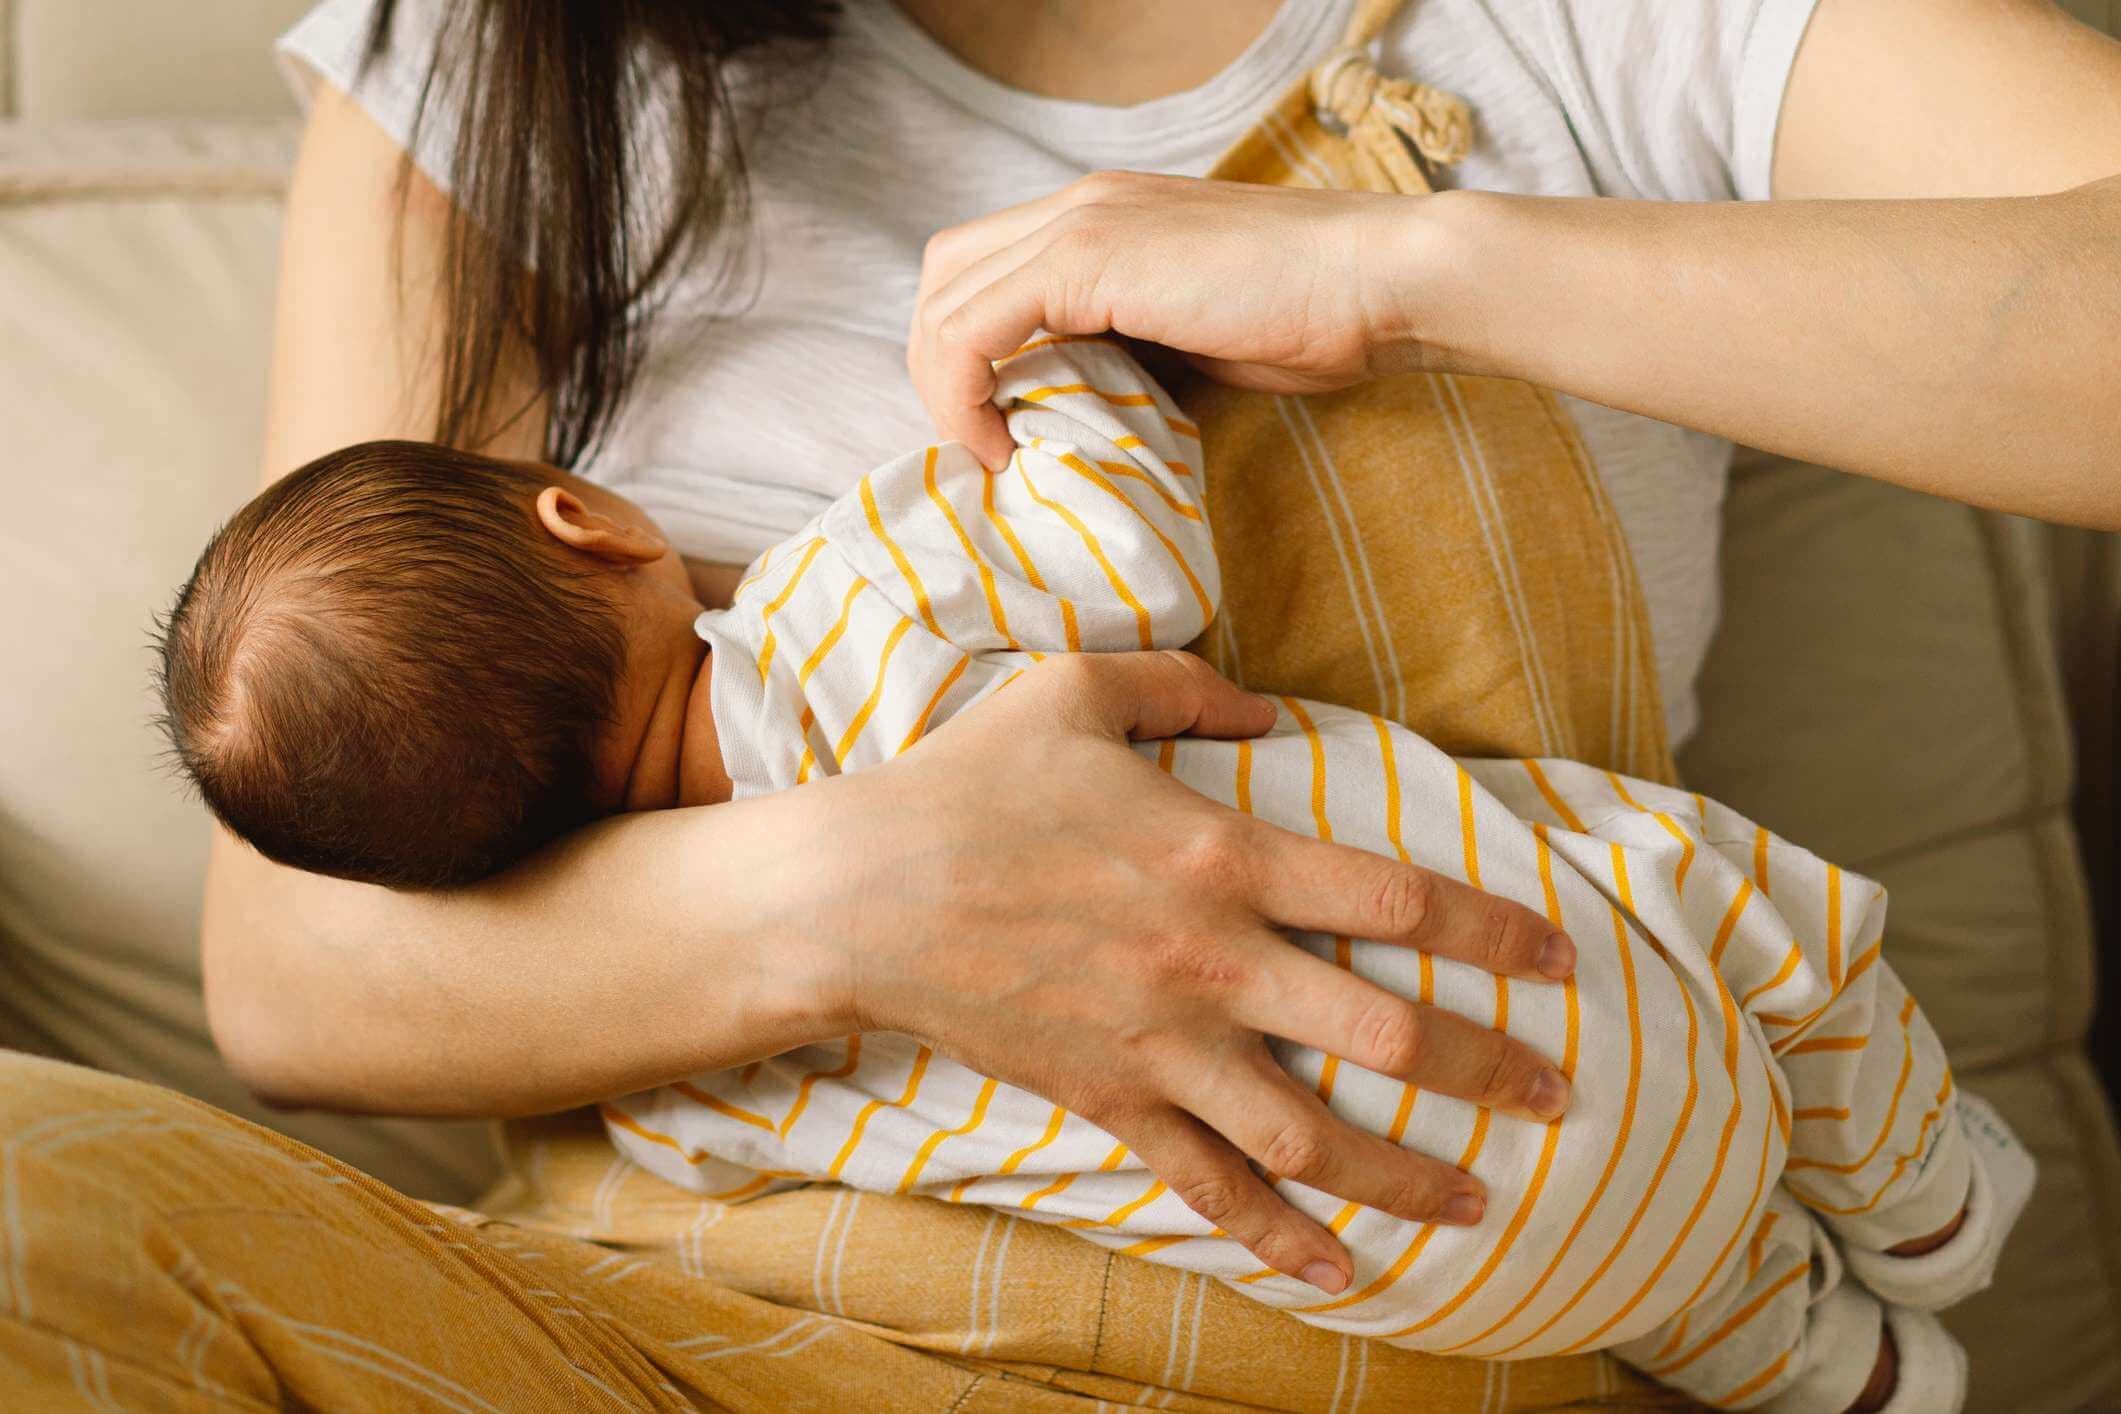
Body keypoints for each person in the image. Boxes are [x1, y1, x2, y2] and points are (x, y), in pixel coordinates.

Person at [157, 336, 2031, 1410]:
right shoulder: (848, 605)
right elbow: (1128, 551)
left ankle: (1833, 1370)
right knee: (1702, 887)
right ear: (587, 516)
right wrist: (1059, 357)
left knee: (1671, 1278)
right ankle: (1927, 1195)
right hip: (1599, 993)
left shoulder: (676, 1087)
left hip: (1450, 1281)